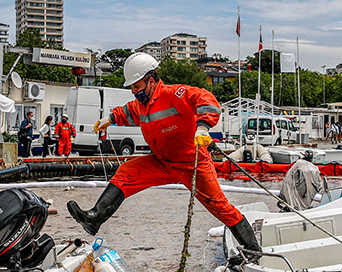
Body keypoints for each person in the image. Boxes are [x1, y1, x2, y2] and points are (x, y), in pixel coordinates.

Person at [67, 52, 261, 258]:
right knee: (126, 172)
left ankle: (253, 250)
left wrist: (203, 127)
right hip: (162, 161)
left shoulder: (175, 94)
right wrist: (109, 118)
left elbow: (208, 100)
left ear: (151, 80)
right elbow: (126, 112)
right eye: (132, 87)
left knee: (219, 206)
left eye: (136, 86)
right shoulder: (141, 104)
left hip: (191, 163)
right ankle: (94, 218)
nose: (134, 92)